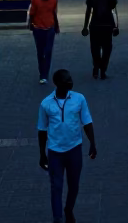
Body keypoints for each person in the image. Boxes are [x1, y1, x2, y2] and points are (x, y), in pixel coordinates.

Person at [37, 68, 96, 223]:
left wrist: (92, 143)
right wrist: (42, 154)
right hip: (55, 152)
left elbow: (87, 122)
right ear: (57, 84)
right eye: (66, 80)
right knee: (56, 186)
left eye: (70, 79)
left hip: (74, 149)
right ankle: (57, 217)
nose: (71, 82)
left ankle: (68, 208)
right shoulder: (46, 104)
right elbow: (42, 130)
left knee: (74, 184)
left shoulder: (79, 99)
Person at [81, 0, 119, 80]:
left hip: (95, 24)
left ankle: (96, 67)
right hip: (107, 24)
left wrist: (85, 26)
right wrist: (116, 26)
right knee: (107, 48)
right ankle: (103, 69)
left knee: (95, 48)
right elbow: (114, 10)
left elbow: (88, 11)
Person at [28, 0, 60, 85]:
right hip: (38, 29)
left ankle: (44, 74)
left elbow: (54, 13)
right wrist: (30, 24)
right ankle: (42, 73)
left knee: (48, 52)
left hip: (49, 28)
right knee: (41, 52)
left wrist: (56, 25)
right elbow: (32, 13)